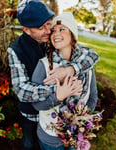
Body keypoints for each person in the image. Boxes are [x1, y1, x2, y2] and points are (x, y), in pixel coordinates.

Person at [8, 0, 98, 149]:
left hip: (64, 120)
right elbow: (22, 90)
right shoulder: (16, 50)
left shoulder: (55, 41)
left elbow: (91, 55)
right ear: (26, 30)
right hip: (32, 114)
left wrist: (72, 69)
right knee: (29, 144)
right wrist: (60, 90)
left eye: (49, 23)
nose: (49, 30)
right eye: (40, 27)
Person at [31, 12, 99, 150]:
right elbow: (36, 104)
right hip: (51, 138)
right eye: (53, 31)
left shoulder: (84, 65)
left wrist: (80, 121)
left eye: (62, 29)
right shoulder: (44, 65)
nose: (56, 34)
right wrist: (59, 96)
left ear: (72, 34)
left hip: (76, 135)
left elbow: (92, 96)